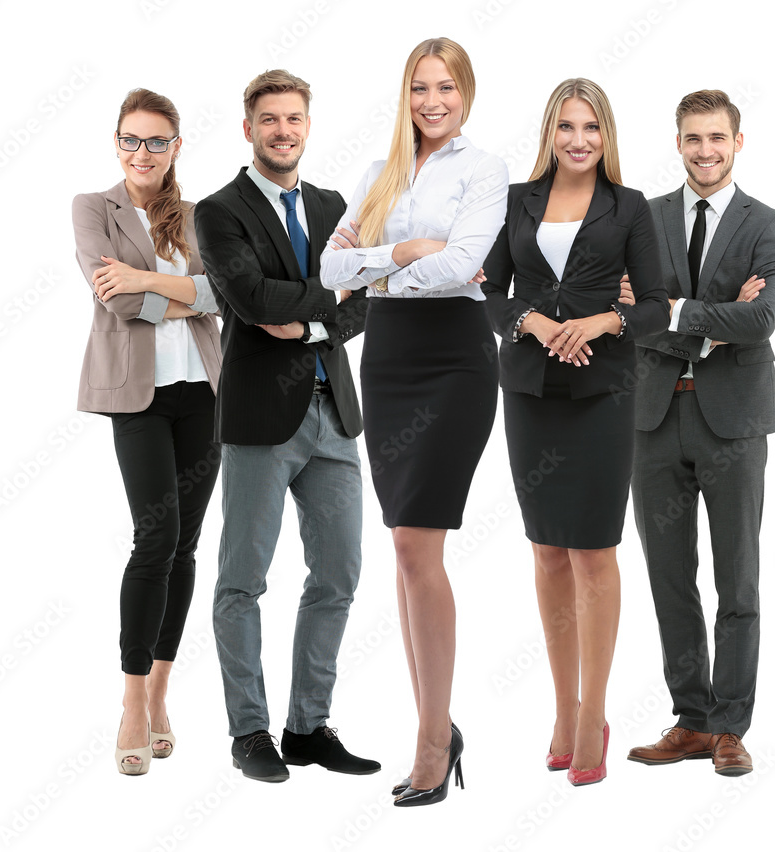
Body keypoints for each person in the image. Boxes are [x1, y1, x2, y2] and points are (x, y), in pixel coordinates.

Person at [320, 37, 508, 807]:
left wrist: (377, 262)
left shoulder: (485, 169)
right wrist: (402, 250)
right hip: (390, 358)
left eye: (447, 89)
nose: (433, 102)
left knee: (415, 545)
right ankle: (437, 725)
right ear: (405, 94)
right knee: (403, 549)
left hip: (457, 359)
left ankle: (434, 738)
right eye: (421, 88)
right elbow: (329, 273)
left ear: (466, 94)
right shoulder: (375, 172)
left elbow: (463, 265)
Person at [482, 79, 669, 787]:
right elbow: (488, 293)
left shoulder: (632, 207)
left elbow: (654, 306)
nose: (579, 139)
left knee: (593, 551)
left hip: (600, 391)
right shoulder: (515, 201)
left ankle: (594, 713)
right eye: (566, 126)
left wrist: (601, 322)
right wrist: (530, 322)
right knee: (547, 552)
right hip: (530, 391)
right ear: (549, 133)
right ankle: (563, 709)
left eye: (591, 126)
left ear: (607, 133)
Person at [193, 69, 377, 784]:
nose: (282, 131)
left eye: (293, 118)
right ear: (248, 129)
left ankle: (307, 727)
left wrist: (303, 317)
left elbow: (362, 302)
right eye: (269, 120)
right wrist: (327, 301)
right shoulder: (221, 211)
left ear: (308, 123)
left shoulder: (334, 204)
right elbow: (246, 294)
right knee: (243, 578)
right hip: (261, 420)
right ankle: (250, 732)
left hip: (336, 414)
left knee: (338, 574)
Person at [623, 89, 775, 776]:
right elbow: (627, 314)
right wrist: (711, 324)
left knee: (738, 580)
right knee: (669, 578)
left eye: (717, 138)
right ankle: (691, 720)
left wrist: (674, 311)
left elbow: (762, 322)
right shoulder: (642, 218)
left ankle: (730, 727)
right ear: (678, 142)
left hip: (735, 424)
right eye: (693, 138)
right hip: (653, 419)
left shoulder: (768, 224)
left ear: (738, 142)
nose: (705, 151)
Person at [72, 88, 222, 775]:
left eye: (157, 141)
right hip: (137, 397)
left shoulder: (198, 216)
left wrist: (167, 286)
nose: (143, 152)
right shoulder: (92, 209)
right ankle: (132, 701)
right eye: (131, 139)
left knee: (186, 544)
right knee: (154, 536)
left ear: (176, 147)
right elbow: (119, 298)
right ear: (117, 142)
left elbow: (226, 297)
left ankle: (162, 691)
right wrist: (176, 292)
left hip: (206, 393)